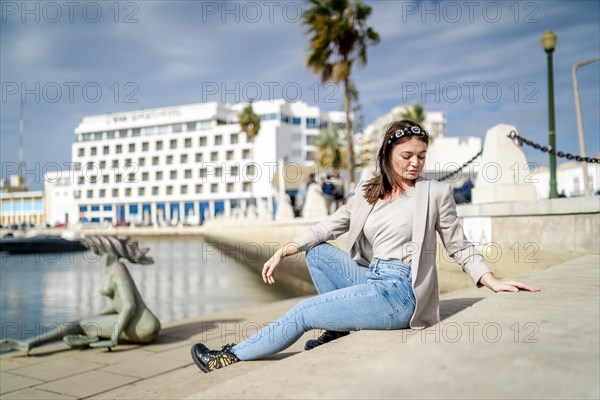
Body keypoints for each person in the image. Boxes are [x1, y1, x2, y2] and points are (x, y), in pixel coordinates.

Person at [190, 120, 539, 373]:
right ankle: (338, 329)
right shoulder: (367, 192)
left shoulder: (435, 193)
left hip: (401, 292)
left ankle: (229, 355)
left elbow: (459, 245)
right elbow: (331, 225)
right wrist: (286, 249)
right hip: (372, 279)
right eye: (407, 155)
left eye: (421, 155)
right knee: (319, 252)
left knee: (303, 312)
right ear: (388, 154)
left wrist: (490, 279)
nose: (415, 163)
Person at [0, 236, 161, 354]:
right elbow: (118, 307)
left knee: (82, 324)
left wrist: (114, 338)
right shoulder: (109, 268)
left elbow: (129, 305)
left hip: (143, 326)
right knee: (82, 322)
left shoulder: (118, 268)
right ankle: (31, 343)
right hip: (139, 323)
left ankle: (30, 344)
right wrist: (95, 317)